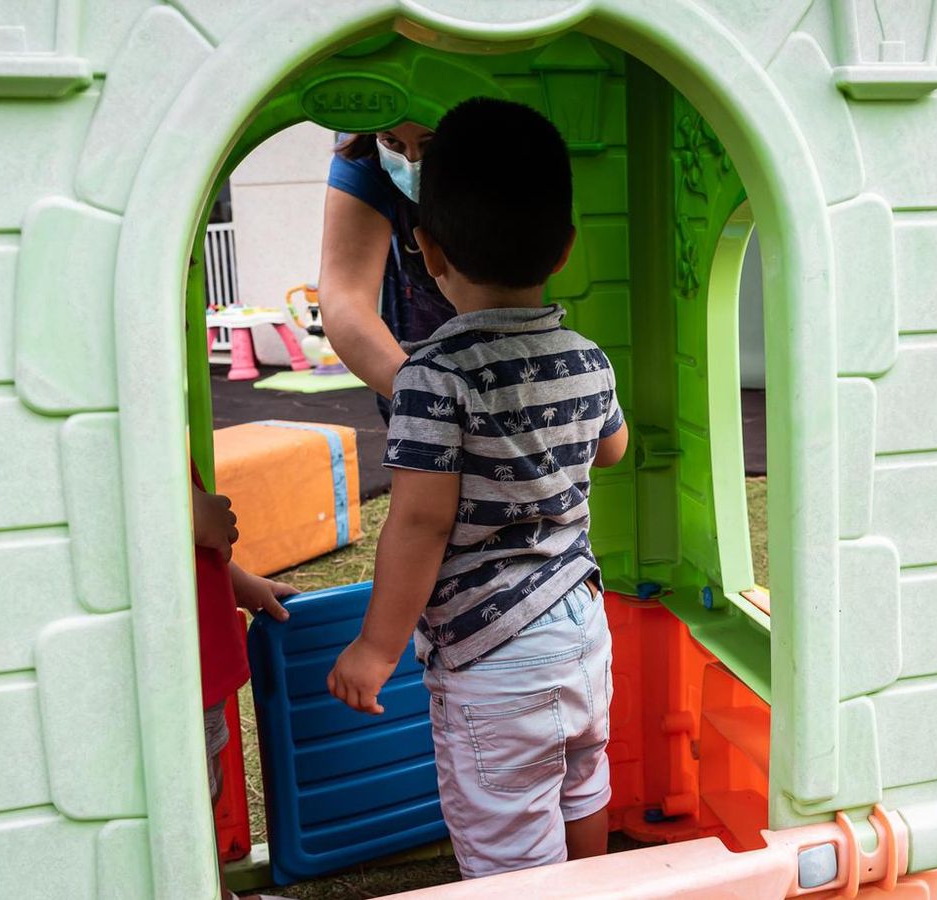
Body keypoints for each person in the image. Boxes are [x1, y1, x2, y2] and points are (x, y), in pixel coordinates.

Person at [326, 98, 630, 879]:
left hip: (494, 659)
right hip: (582, 632)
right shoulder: (587, 358)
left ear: (427, 251)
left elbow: (421, 525)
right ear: (563, 249)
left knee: (507, 842)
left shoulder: (431, 379)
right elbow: (615, 450)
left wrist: (375, 645)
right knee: (581, 784)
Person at [191, 471, 296, 900]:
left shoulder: (155, 427)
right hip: (170, 674)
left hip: (198, 665)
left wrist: (239, 581)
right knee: (184, 798)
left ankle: (215, 891)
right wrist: (184, 509)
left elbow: (199, 545)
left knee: (202, 793)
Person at [319, 122, 451, 418]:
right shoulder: (360, 148)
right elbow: (344, 295)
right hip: (424, 322)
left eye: (430, 143)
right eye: (392, 143)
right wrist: (419, 397)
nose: (413, 162)